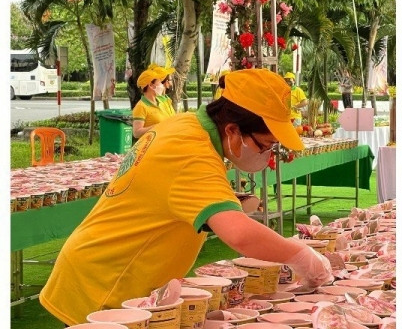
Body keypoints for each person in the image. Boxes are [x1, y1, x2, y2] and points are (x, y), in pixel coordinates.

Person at [39, 69, 333, 325]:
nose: (267, 154)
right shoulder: (192, 152)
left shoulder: (186, 125)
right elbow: (240, 234)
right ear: (232, 130)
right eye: (265, 145)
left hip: (103, 265)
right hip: (106, 282)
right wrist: (302, 256)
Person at [131, 65, 176, 139]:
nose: (162, 85)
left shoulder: (161, 102)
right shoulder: (141, 107)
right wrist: (156, 127)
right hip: (152, 147)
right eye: (160, 83)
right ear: (151, 85)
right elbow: (136, 133)